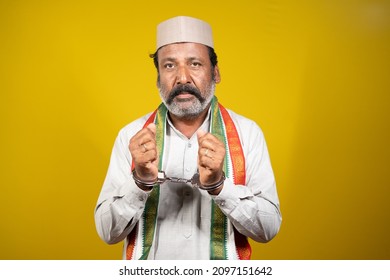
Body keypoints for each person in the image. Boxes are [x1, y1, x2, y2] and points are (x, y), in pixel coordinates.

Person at [94, 16, 282, 260]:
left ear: (215, 73)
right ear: (158, 77)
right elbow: (107, 233)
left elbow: (268, 230)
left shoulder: (248, 134)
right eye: (169, 66)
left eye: (195, 64)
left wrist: (220, 186)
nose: (182, 78)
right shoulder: (131, 136)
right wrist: (139, 181)